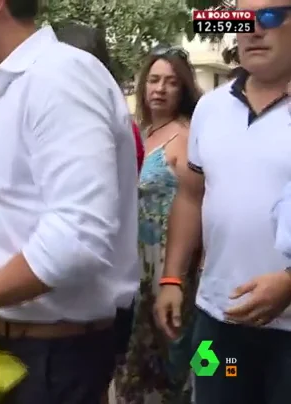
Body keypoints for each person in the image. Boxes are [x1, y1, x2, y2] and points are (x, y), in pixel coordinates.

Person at [0, 1, 139, 403]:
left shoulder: (58, 76)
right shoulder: (16, 87)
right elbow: (27, 208)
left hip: (52, 359)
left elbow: (77, 237)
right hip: (28, 354)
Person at [156, 0, 291, 402]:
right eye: (244, 18)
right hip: (216, 321)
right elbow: (191, 196)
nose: (253, 29)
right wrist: (172, 278)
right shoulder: (210, 110)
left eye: (269, 16)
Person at [55, 22, 142, 404]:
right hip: (98, 298)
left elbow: (78, 230)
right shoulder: (109, 115)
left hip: (88, 300)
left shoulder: (89, 119)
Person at [113, 46, 202, 404]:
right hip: (134, 267)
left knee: (181, 363)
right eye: (153, 80)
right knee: (133, 368)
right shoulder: (140, 133)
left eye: (170, 82)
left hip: (171, 268)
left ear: (183, 89)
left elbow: (200, 203)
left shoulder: (187, 136)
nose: (160, 89)